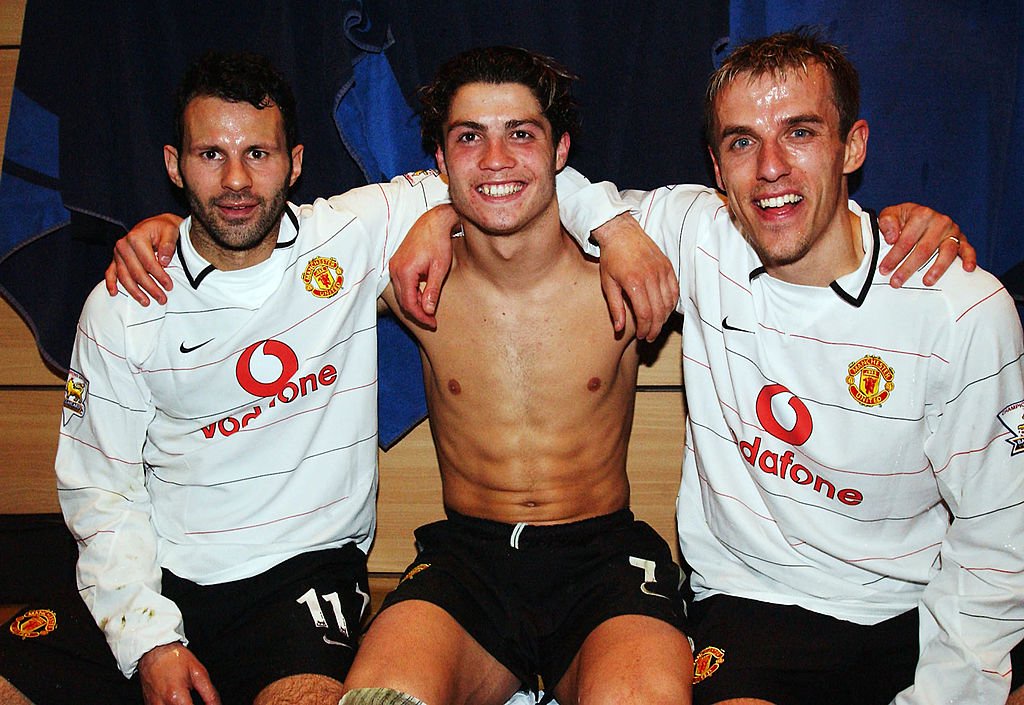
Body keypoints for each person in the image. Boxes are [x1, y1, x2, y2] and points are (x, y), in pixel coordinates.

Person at [480, 29, 1022, 705]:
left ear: (853, 146)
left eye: (800, 132)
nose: (770, 167)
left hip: (919, 608)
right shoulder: (699, 235)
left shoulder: (960, 308)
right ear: (716, 166)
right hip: (754, 602)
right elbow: (532, 181)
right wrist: (612, 229)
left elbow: (999, 539)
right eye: (742, 142)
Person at [0, 51, 452, 705]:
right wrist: (150, 641)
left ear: (295, 163)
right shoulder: (125, 303)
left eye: (257, 154)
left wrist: (440, 217)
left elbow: (493, 174)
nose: (236, 179)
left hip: (304, 573)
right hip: (160, 569)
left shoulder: (347, 236)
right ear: (174, 165)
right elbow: (100, 489)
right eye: (210, 154)